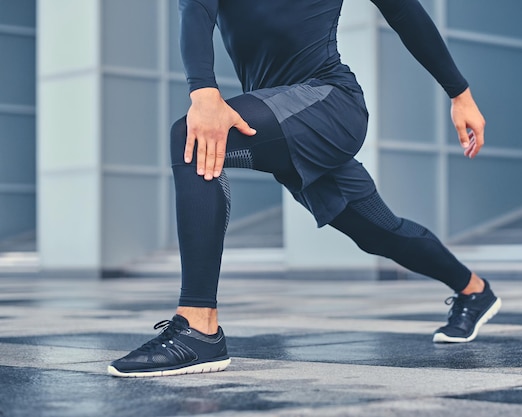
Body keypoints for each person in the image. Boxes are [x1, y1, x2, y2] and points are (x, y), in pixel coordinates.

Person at [107, 0, 501, 378]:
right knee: (378, 231)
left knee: (194, 138)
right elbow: (196, 6)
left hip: (329, 102)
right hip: (279, 112)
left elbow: (403, 10)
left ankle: (198, 328)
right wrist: (204, 90)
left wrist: (460, 95)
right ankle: (474, 290)